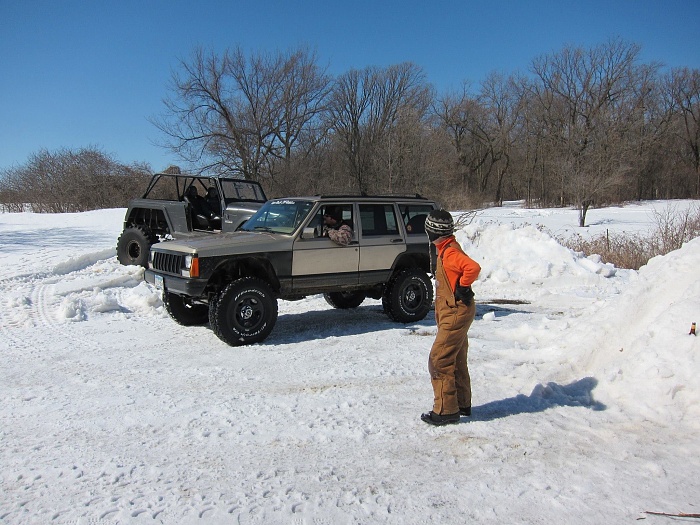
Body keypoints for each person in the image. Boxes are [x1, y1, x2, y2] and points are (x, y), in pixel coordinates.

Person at [421, 209, 481, 426]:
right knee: (455, 357)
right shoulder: (444, 248)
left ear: (432, 231)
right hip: (454, 312)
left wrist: (463, 288)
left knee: (439, 360)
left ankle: (446, 411)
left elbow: (473, 267)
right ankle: (461, 404)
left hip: (456, 313)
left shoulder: (450, 253)